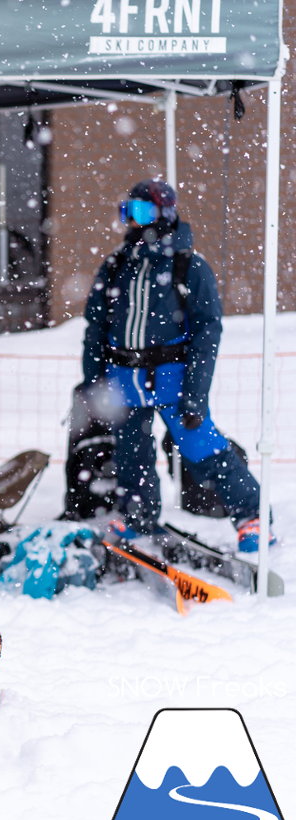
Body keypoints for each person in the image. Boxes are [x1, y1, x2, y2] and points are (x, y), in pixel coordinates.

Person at [83, 180, 272, 552]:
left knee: (202, 448)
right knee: (130, 452)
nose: (133, 222)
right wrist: (94, 380)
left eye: (142, 212)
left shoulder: (189, 266)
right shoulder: (117, 264)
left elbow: (207, 332)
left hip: (172, 376)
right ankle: (138, 515)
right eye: (129, 212)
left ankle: (252, 515)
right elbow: (96, 327)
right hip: (124, 377)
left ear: (165, 214)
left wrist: (196, 394)